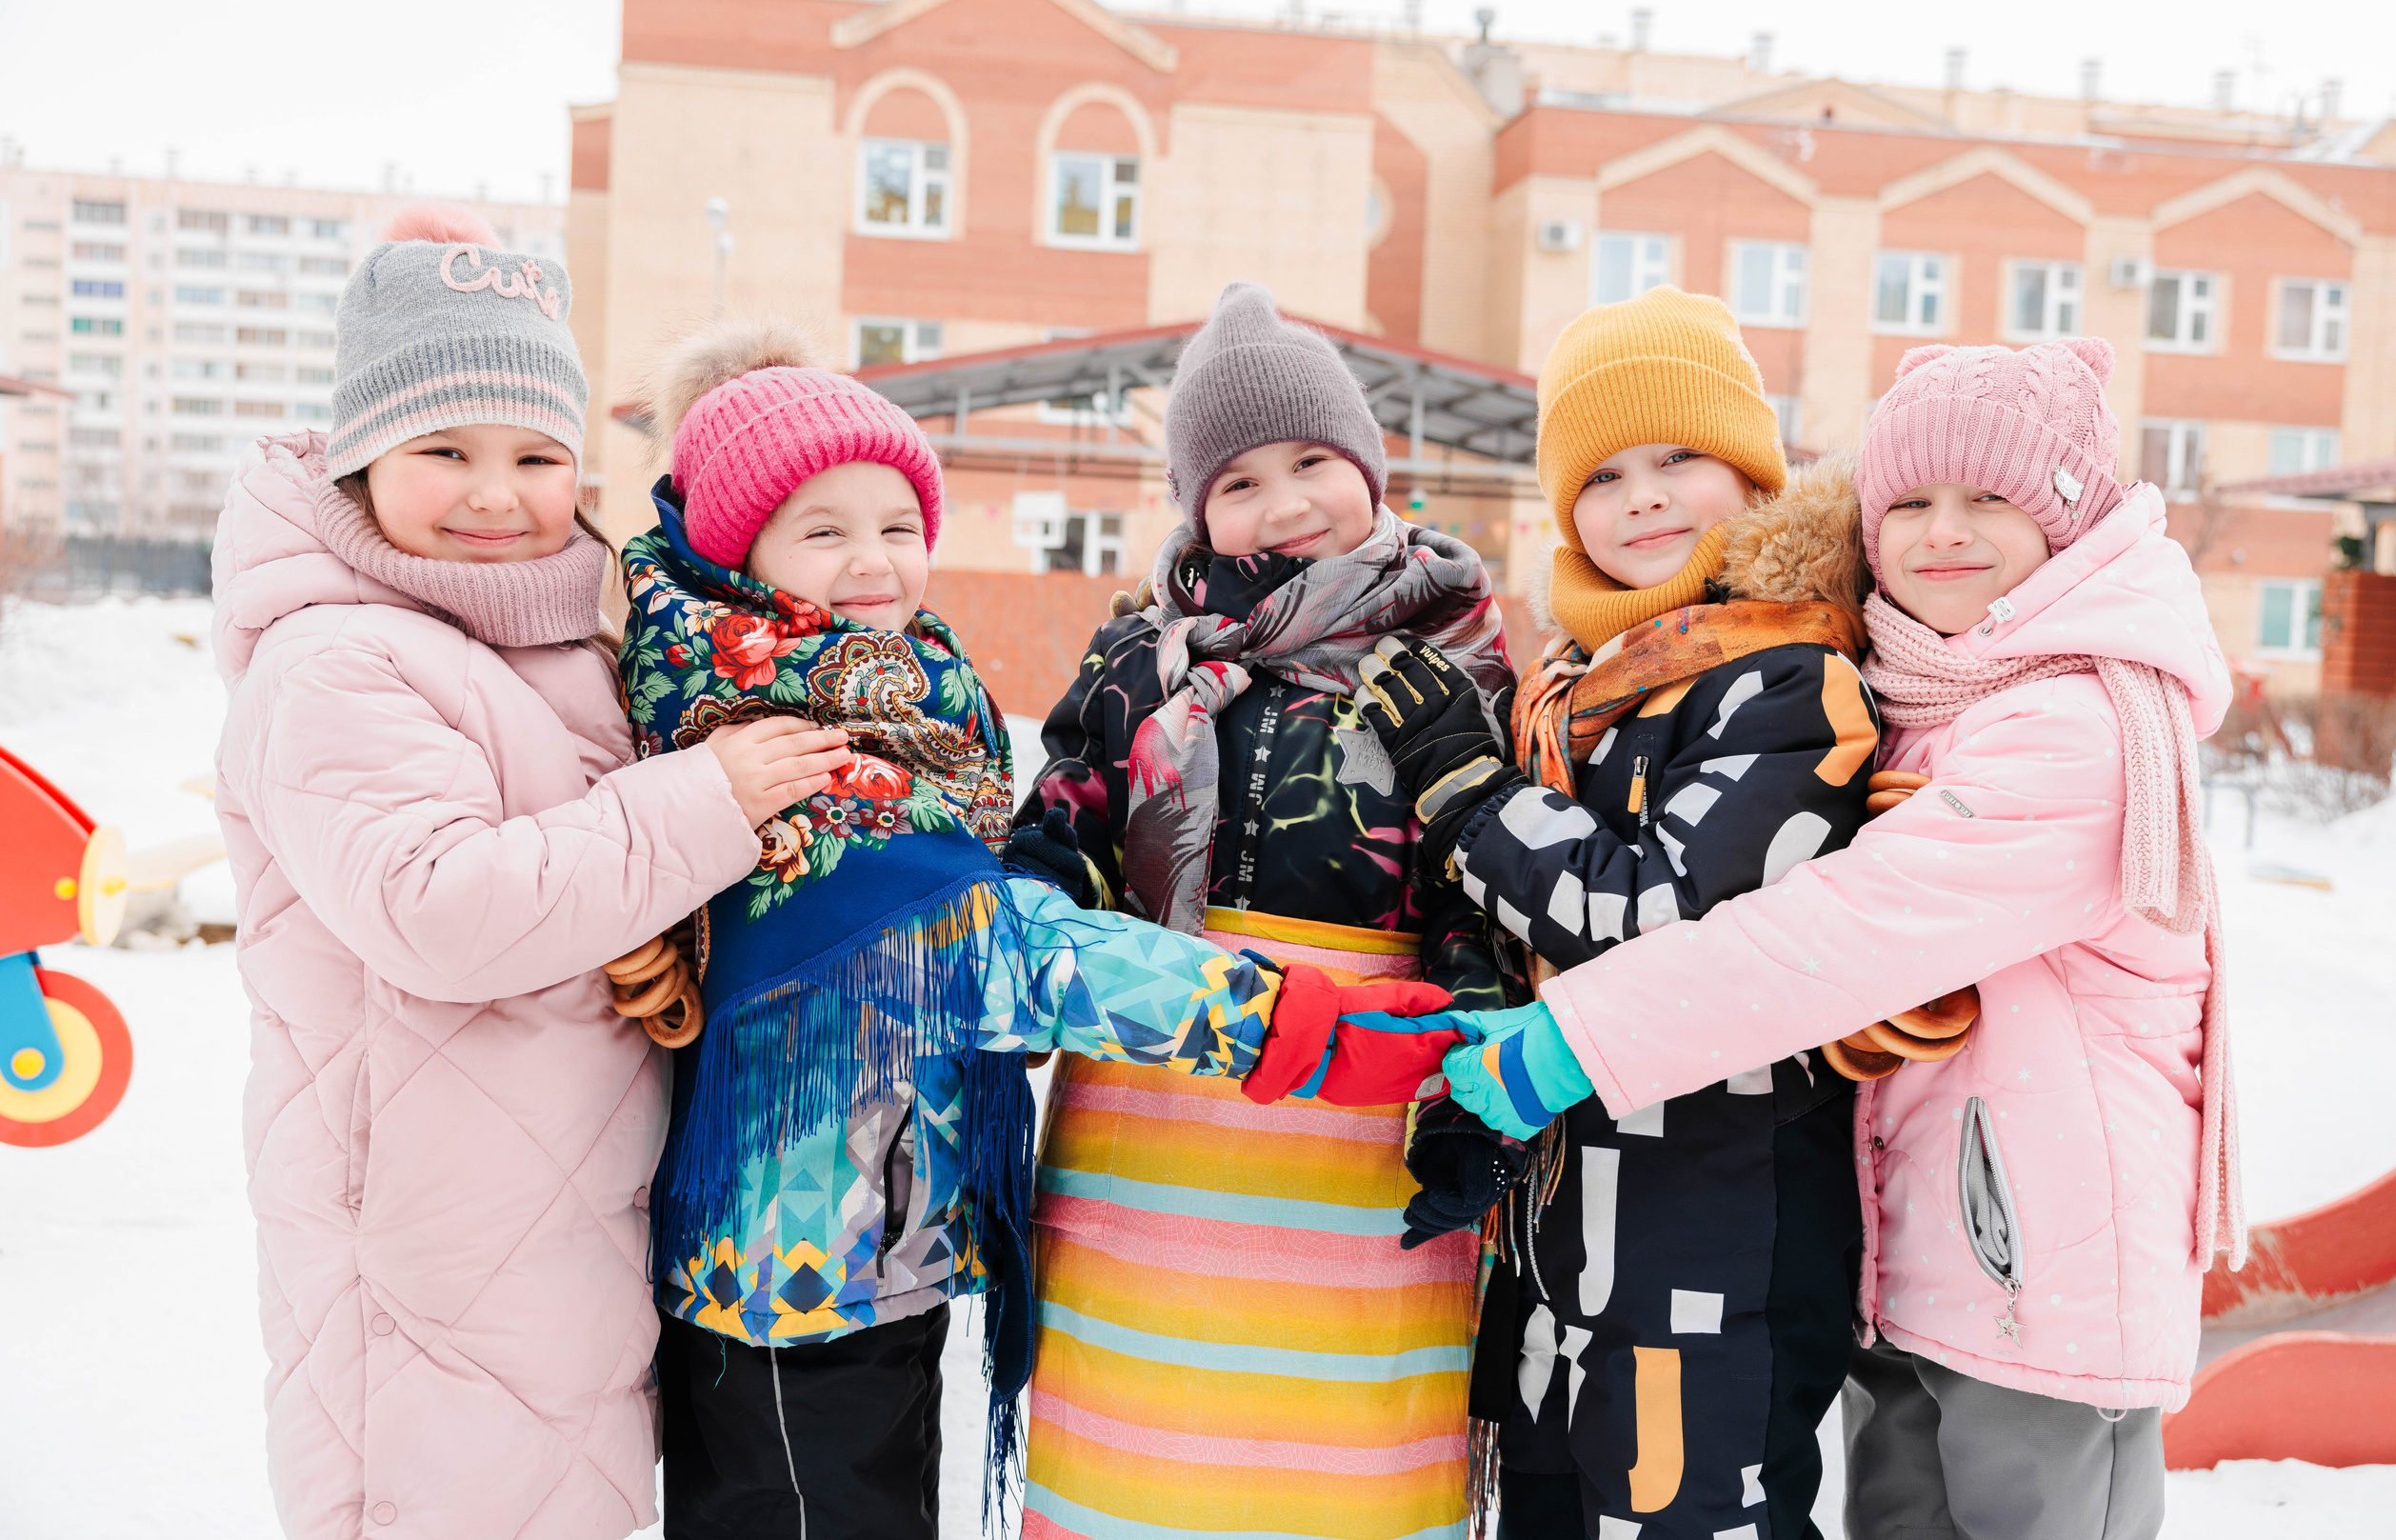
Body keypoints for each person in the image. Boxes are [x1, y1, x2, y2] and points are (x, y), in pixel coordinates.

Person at [616, 316, 1465, 1540]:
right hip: (795, 1261)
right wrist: (1283, 1019)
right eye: (823, 530)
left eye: (899, 527)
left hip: (867, 1240)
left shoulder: (869, 686)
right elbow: (986, 944)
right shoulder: (775, 730)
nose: (874, 562)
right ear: (739, 555)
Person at [1440, 338, 2241, 1540]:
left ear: (2072, 521)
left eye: (1990, 498)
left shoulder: (2076, 728)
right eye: (1908, 500)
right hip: (1924, 1266)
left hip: (2046, 1288)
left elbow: (1843, 936)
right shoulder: (1930, 692)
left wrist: (1570, 1041)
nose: (1940, 531)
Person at [211, 206, 852, 1539]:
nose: (497, 494)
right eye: (445, 449)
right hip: (432, 1249)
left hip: (564, 1219)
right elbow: (441, 912)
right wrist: (707, 799)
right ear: (359, 455)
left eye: (538, 454)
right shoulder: (335, 659)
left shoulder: (560, 637)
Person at [1354, 288, 1880, 1540]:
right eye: (1604, 475)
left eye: (1678, 459)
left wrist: (1467, 792)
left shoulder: (1794, 678)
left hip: (1715, 1258)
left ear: (1750, 471)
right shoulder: (1583, 690)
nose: (1640, 498)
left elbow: (1651, 913)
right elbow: (1518, 936)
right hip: (1562, 1249)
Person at [1015, 282, 1517, 1540]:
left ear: (1370, 465)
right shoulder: (1141, 659)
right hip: (1156, 1113)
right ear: (1196, 509)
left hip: (1372, 1111)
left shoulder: (1460, 652)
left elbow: (1483, 880)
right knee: (1145, 1469)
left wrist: (1467, 1108)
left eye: (1311, 462)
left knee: (1341, 1481)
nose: (1285, 504)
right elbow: (1060, 848)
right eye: (1239, 482)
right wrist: (1030, 929)